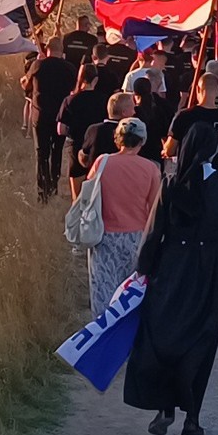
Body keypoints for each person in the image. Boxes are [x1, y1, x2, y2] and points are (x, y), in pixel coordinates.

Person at [123, 123, 218, 435]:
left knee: (164, 333)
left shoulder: (172, 183)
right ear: (213, 150)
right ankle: (192, 419)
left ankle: (164, 407)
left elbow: (155, 230)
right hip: (211, 269)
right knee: (202, 339)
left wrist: (142, 270)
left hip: (172, 266)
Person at [86, 118, 161, 317]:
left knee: (103, 298)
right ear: (142, 141)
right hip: (137, 238)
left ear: (117, 139)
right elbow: (154, 208)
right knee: (131, 297)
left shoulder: (102, 162)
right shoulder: (151, 169)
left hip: (104, 236)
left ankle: (103, 340)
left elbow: (89, 196)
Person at [23, 37, 76, 202]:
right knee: (57, 150)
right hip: (60, 115)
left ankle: (42, 191)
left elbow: (26, 85)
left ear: (47, 50)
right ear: (62, 51)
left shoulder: (38, 65)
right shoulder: (69, 68)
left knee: (41, 152)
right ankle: (53, 186)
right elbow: (73, 89)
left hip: (41, 113)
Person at [57, 64, 107, 201]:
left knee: (77, 199)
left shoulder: (70, 100)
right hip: (97, 148)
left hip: (75, 147)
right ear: (96, 80)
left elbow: (60, 129)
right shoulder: (103, 100)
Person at [164, 73, 218, 160]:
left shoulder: (183, 116)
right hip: (215, 171)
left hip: (188, 170)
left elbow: (170, 151)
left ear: (197, 89)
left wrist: (165, 147)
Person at [79, 91, 136, 171]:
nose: (135, 112)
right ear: (124, 113)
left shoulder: (93, 129)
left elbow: (84, 155)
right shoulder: (130, 132)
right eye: (133, 108)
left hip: (96, 177)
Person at [130, 76, 170, 166]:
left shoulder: (133, 113)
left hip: (138, 153)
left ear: (134, 93)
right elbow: (165, 133)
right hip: (156, 153)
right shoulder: (159, 109)